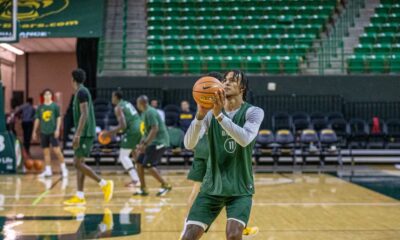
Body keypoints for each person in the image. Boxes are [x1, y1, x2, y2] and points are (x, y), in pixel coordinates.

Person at [182, 70, 264, 240]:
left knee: (233, 236)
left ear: (243, 87)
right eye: (225, 80)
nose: (226, 83)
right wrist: (199, 116)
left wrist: (219, 115)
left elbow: (245, 139)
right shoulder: (210, 114)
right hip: (212, 186)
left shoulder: (254, 112)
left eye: (232, 80)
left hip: (239, 187)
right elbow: (188, 144)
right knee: (188, 236)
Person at [63, 68, 114, 205]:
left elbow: (84, 114)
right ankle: (80, 195)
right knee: (80, 163)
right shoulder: (81, 92)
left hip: (85, 133)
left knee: (77, 163)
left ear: (73, 79)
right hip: (85, 132)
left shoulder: (82, 92)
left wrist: (77, 134)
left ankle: (104, 183)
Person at [102, 90, 142, 189]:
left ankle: (136, 180)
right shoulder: (127, 103)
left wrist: (108, 134)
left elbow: (122, 126)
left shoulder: (118, 107)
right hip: (140, 127)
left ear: (116, 97)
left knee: (123, 156)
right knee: (134, 153)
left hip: (132, 130)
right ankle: (140, 178)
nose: (111, 99)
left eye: (112, 97)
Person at [135, 95, 172, 196]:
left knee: (148, 165)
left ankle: (166, 185)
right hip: (152, 142)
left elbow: (154, 129)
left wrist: (145, 144)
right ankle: (143, 188)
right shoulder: (145, 113)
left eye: (137, 103)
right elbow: (146, 132)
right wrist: (141, 144)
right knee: (139, 163)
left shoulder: (150, 112)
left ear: (141, 103)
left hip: (159, 142)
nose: (137, 105)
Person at [32, 89, 68, 178]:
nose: (47, 96)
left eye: (49, 94)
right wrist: (34, 131)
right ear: (43, 96)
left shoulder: (55, 106)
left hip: (52, 131)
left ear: (51, 96)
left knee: (57, 151)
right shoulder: (40, 107)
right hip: (43, 132)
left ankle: (64, 169)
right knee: (46, 152)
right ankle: (48, 171)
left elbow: (58, 118)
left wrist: (57, 129)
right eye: (46, 94)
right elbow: (37, 119)